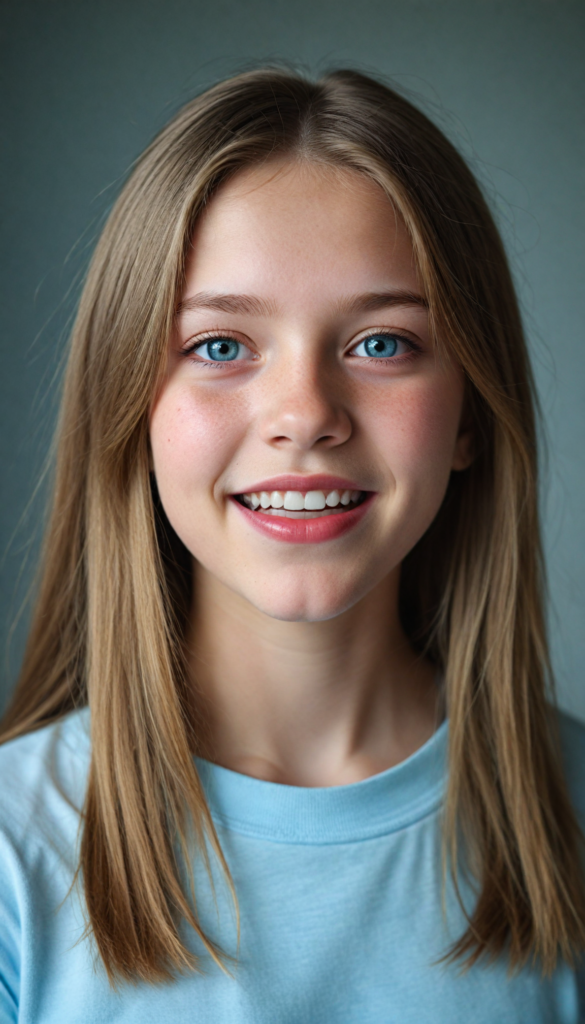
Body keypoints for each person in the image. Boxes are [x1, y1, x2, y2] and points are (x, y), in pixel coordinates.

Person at [0, 66, 584, 1023]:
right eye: (220, 346)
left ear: (470, 413)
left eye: (381, 343)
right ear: (131, 410)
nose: (306, 415)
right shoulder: (12, 858)